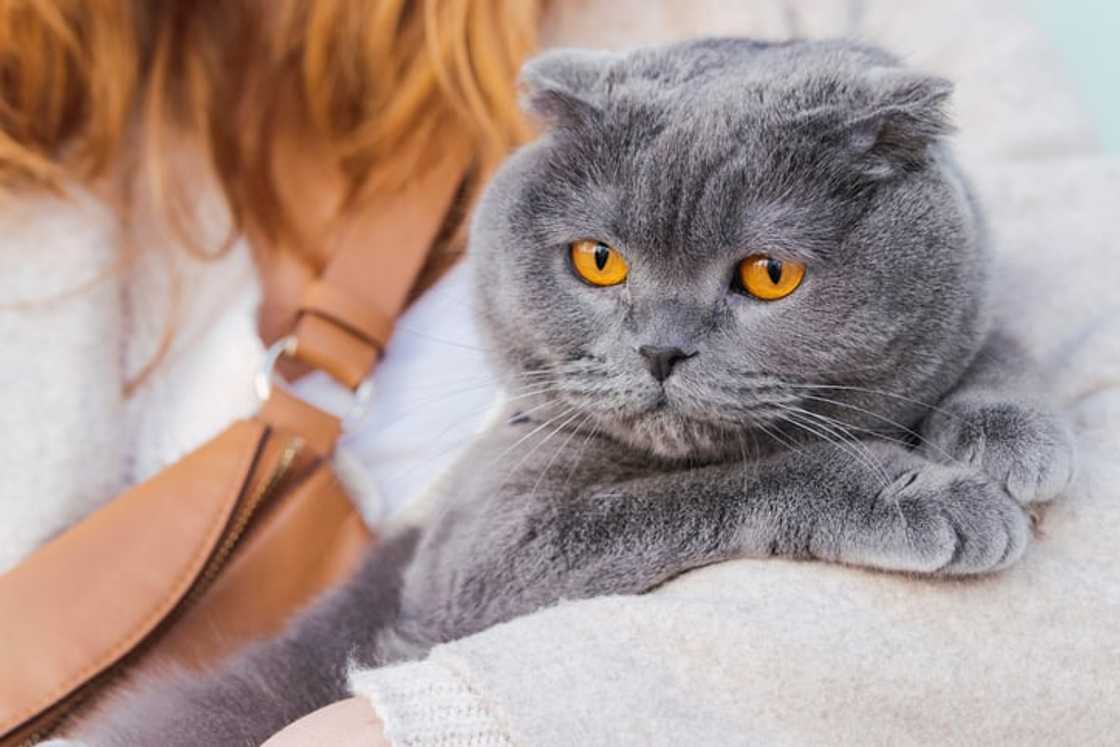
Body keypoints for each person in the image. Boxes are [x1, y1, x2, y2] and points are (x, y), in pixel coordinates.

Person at [4, 1, 1119, 745]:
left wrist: (447, 722)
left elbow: (1094, 569)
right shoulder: (43, 93)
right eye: (596, 264)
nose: (658, 349)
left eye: (766, 276)